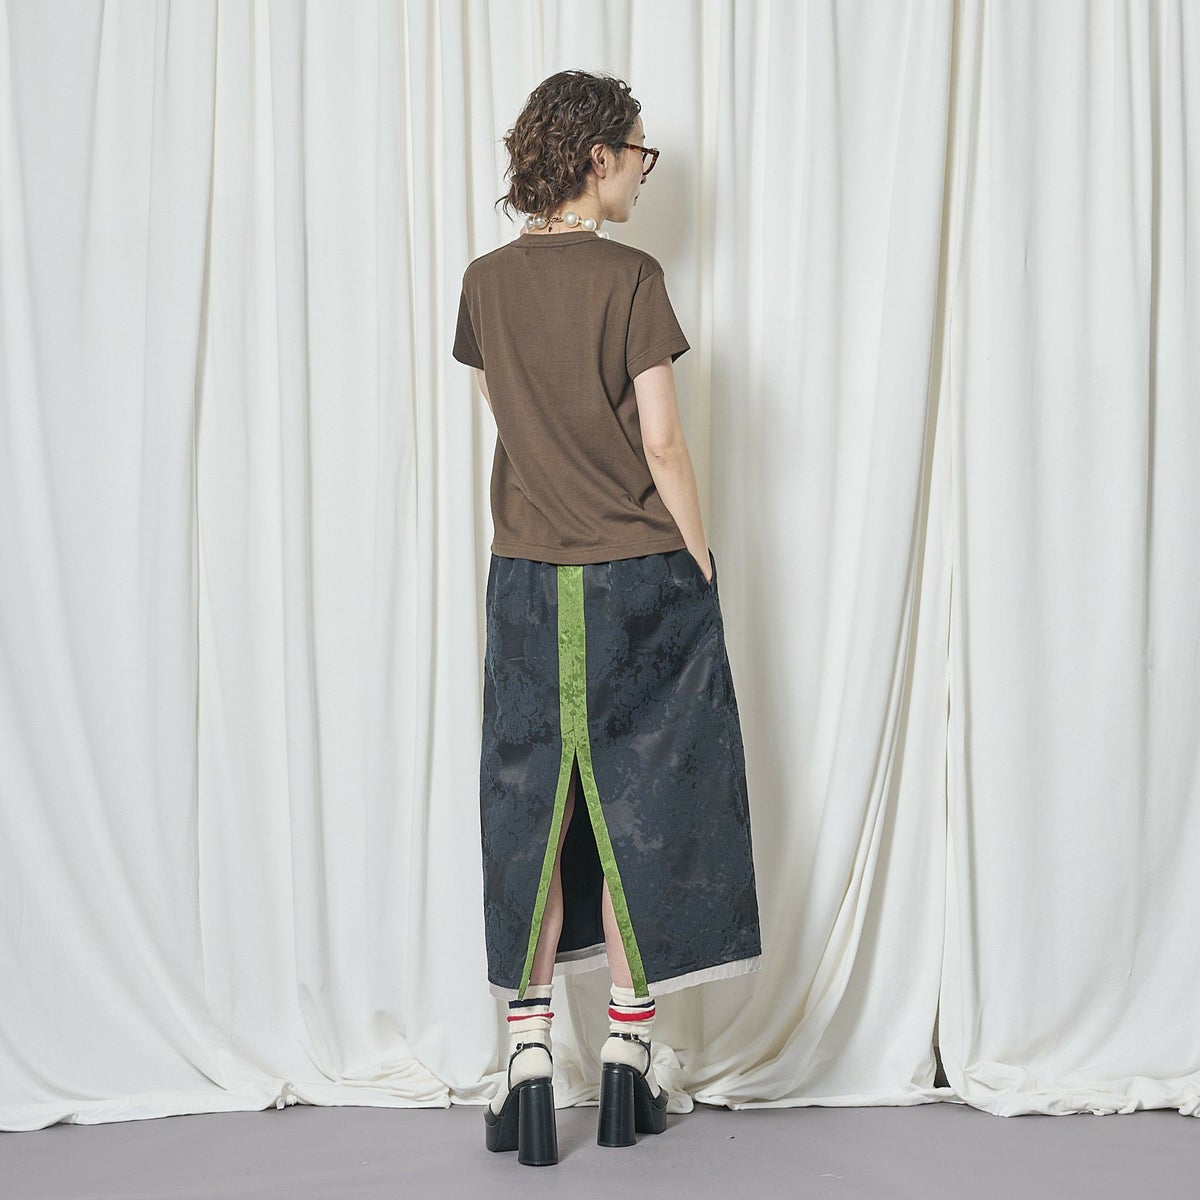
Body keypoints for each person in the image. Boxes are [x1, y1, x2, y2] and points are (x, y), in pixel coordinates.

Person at [452, 69, 763, 1166]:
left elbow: (511, 419)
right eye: (638, 151)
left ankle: (528, 1055)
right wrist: (700, 559)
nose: (643, 170)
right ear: (596, 158)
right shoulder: (632, 277)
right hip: (637, 573)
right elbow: (662, 441)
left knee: (532, 805)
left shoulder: (485, 283)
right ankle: (631, 1050)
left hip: (529, 580)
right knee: (648, 799)